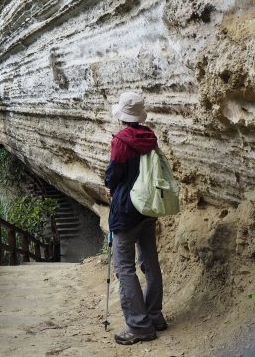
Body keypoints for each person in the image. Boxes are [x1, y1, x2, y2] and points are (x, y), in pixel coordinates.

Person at [105, 91, 167, 346]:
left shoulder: (121, 141)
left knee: (124, 268)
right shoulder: (149, 137)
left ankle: (140, 326)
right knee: (150, 262)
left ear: (122, 116)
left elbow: (113, 176)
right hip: (147, 207)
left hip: (126, 211)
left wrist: (109, 183)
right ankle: (154, 316)